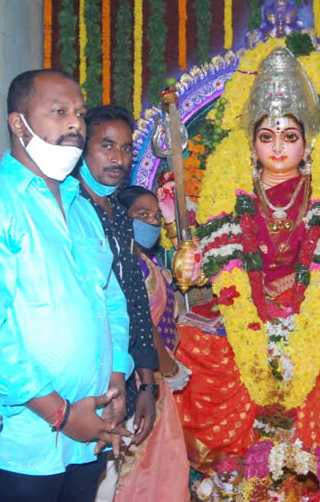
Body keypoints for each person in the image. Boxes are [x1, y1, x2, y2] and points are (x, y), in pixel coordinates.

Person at [170, 43, 320, 498]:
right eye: (267, 137)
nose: (279, 147)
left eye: (290, 137)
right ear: (252, 144)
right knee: (186, 349)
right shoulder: (230, 196)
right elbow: (204, 268)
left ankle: (314, 478)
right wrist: (184, 265)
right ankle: (236, 481)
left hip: (314, 318)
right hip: (242, 317)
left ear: (307, 144)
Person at [0, 68, 132, 502]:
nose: (75, 124)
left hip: (88, 430)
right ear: (19, 123)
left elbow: (110, 301)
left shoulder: (81, 207)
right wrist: (61, 414)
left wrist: (116, 378)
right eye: (59, 112)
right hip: (30, 440)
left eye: (79, 114)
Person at [76, 105, 159, 501]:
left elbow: (135, 305)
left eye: (126, 149)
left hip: (123, 379)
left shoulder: (121, 217)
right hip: (84, 383)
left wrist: (147, 385)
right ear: (82, 147)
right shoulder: (71, 209)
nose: (119, 159)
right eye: (106, 145)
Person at [102, 185, 192, 501]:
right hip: (142, 377)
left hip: (155, 377)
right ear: (121, 217)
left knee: (159, 467)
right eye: (142, 215)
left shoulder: (146, 261)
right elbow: (143, 326)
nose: (152, 223)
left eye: (156, 216)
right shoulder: (126, 264)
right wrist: (169, 369)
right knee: (135, 470)